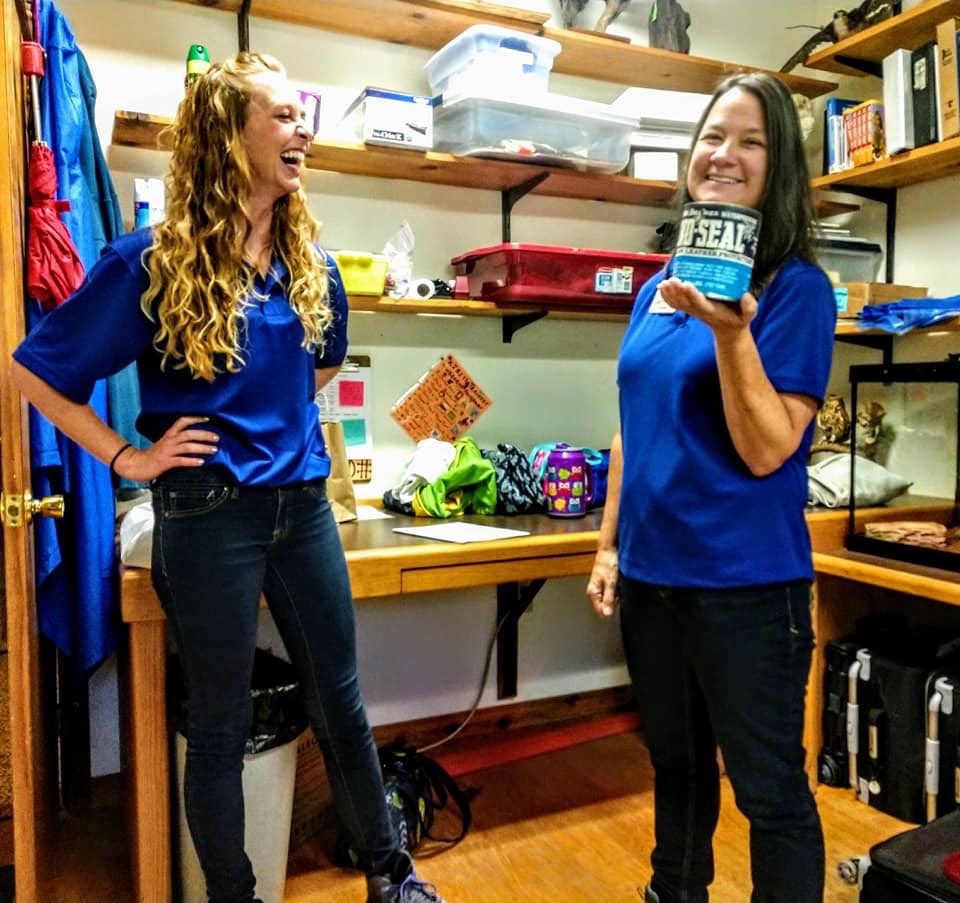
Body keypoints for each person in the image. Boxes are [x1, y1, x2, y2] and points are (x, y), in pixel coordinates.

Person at [12, 51, 446, 903]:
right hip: (208, 515)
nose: (302, 130)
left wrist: (271, 425)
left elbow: (315, 369)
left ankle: (392, 876)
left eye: (301, 115)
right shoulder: (153, 262)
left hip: (302, 508)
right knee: (218, 725)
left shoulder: (311, 266)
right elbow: (35, 373)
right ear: (230, 132)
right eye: (283, 116)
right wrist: (128, 457)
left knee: (341, 702)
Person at [586, 72, 835, 903]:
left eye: (752, 141)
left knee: (769, 792)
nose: (725, 155)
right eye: (714, 137)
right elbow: (632, 421)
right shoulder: (661, 285)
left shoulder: (797, 288)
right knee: (677, 767)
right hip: (655, 580)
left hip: (747, 588)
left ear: (780, 167)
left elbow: (769, 448)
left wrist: (733, 335)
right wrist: (608, 542)